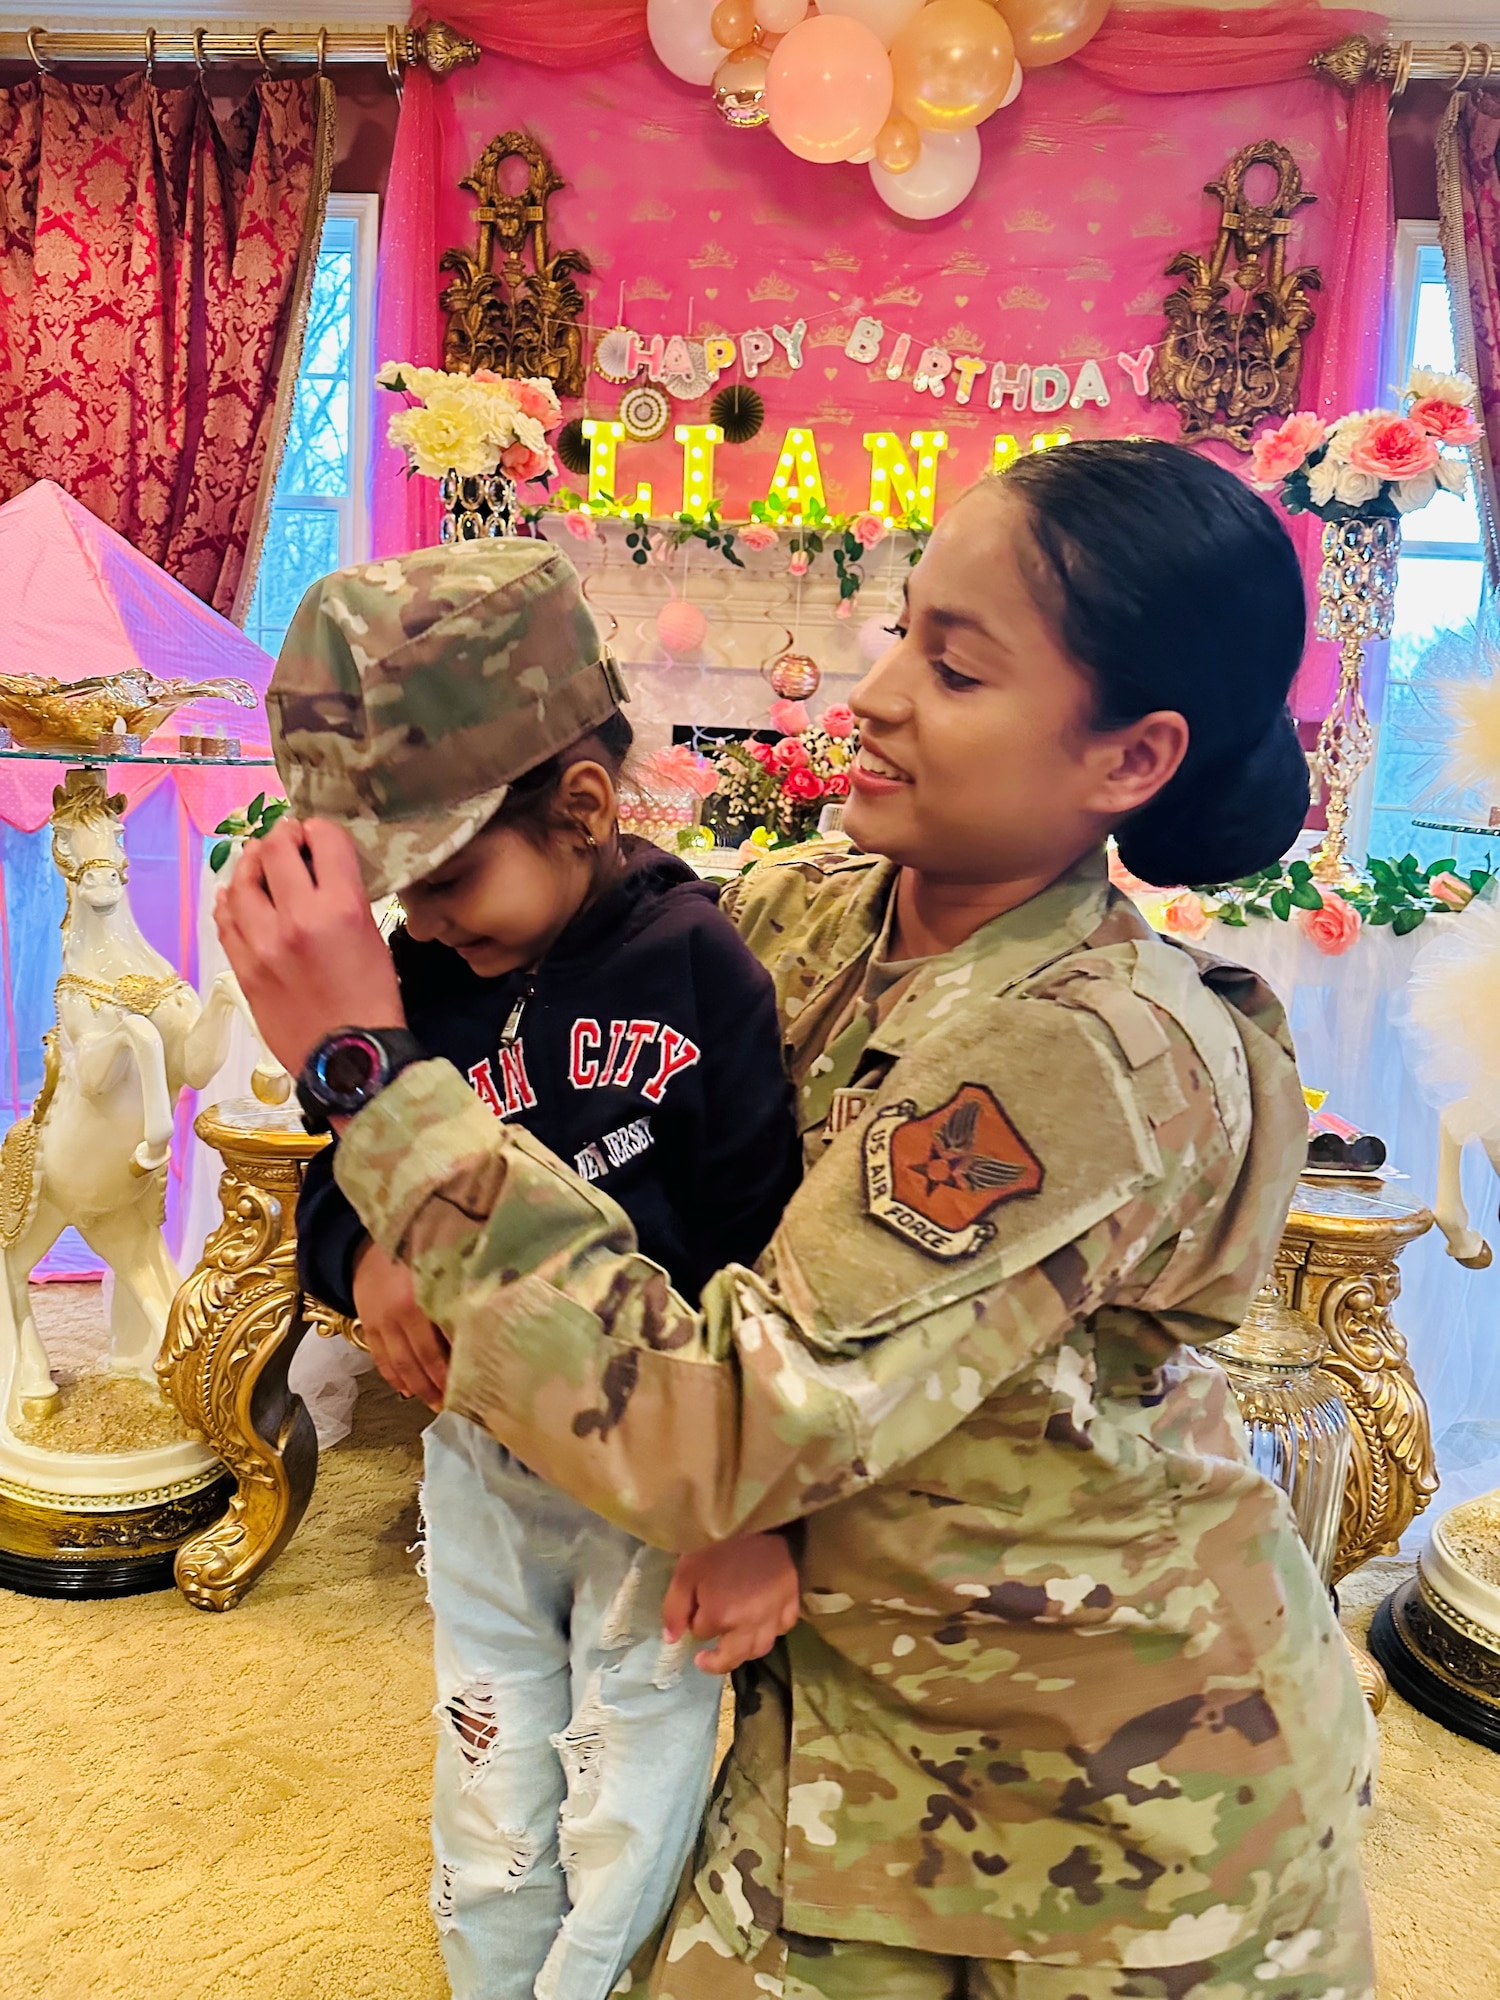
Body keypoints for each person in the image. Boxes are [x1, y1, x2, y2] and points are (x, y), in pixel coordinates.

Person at [220, 441, 1379, 2000]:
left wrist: (371, 1076)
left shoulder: (1096, 1051)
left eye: (955, 667)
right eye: (903, 627)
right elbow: (540, 1039)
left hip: (1095, 1819)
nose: (880, 688)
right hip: (807, 1717)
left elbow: (716, 1432)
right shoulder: (798, 916)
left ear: (1129, 758)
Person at [263, 539, 803, 2000]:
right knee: (493, 1749)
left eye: (440, 882)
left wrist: (751, 1514)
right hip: (484, 1466)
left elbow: (769, 1248)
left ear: (580, 806)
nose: (420, 924)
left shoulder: (703, 968)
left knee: (636, 1766)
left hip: (655, 1479)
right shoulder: (417, 983)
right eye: (392, 897)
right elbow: (330, 1164)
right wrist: (366, 1243)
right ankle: (495, 1974)